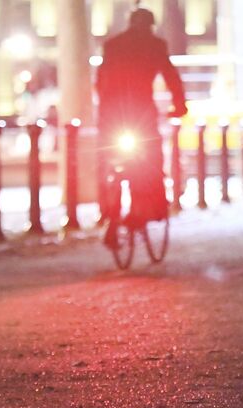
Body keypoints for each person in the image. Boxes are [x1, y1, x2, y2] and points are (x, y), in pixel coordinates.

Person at [96, 7, 187, 244]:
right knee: (150, 161)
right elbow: (171, 76)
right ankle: (147, 208)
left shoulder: (113, 45)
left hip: (113, 114)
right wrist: (179, 105)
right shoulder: (155, 45)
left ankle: (108, 213)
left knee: (109, 160)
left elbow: (101, 81)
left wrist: (103, 110)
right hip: (141, 113)